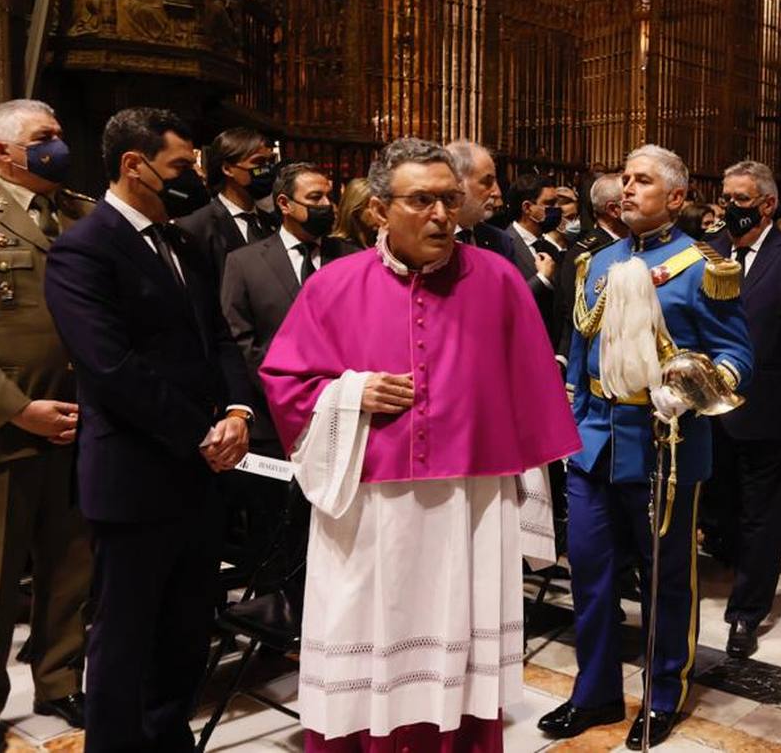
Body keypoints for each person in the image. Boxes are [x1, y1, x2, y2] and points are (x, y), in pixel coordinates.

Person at [259, 138, 577, 751]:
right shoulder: (333, 286)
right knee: (369, 630)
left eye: (450, 200)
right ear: (379, 210)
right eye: (422, 200)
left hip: (470, 503)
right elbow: (287, 383)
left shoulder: (501, 281)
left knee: (461, 635)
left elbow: (531, 391)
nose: (441, 215)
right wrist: (350, 394)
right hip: (370, 508)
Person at [43, 107, 254, 752]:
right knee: (124, 637)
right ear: (134, 166)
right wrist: (203, 433)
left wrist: (239, 414)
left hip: (200, 470)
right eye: (179, 167)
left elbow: (218, 339)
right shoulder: (83, 247)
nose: (191, 178)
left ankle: (167, 739)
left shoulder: (183, 242)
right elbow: (111, 368)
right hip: (136, 473)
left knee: (187, 632)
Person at [537, 144, 752, 749]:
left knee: (665, 581)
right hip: (594, 444)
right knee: (591, 575)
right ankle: (595, 692)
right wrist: (570, 423)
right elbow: (579, 355)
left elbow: (738, 354)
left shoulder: (702, 265)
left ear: (676, 198)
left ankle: (664, 694)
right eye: (624, 179)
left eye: (643, 181)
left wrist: (695, 391)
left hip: (666, 442)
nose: (626, 189)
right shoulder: (596, 263)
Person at [0, 100, 94, 751]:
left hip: (79, 422)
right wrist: (18, 409)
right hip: (3, 425)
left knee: (71, 565)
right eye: (42, 139)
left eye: (58, 133)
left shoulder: (83, 214)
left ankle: (59, 680)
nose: (58, 146)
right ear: (1, 154)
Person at [709, 161, 781, 659]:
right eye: (726, 196)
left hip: (768, 410)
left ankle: (746, 613)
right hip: (710, 412)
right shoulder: (709, 251)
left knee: (762, 518)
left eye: (740, 199)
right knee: (721, 513)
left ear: (767, 204)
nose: (729, 207)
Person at [220, 161, 350, 455]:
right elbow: (240, 338)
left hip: (341, 415)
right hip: (271, 417)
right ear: (284, 204)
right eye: (316, 198)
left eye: (329, 197)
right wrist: (288, 392)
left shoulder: (350, 257)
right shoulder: (243, 263)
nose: (327, 205)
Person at [176, 127, 278, 278]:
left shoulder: (273, 221)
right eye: (259, 162)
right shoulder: (196, 226)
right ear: (227, 169)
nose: (267, 169)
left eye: (270, 162)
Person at [554, 173, 627, 357]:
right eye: (630, 197)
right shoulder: (585, 254)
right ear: (614, 210)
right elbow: (576, 317)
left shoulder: (634, 245)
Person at [505, 173, 560, 320]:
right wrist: (541, 279)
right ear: (527, 207)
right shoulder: (504, 244)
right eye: (550, 204)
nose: (557, 209)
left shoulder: (551, 247)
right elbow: (505, 301)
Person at [332, 176, 376, 250]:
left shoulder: (381, 243)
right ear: (356, 210)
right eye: (371, 206)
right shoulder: (337, 248)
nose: (380, 212)